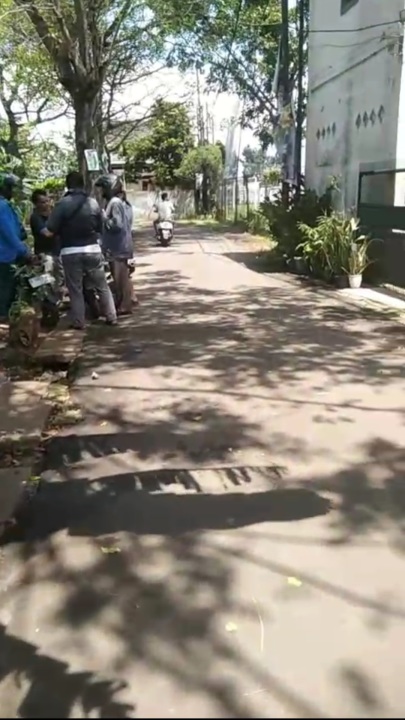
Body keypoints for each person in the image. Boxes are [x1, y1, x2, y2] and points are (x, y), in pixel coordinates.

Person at [45, 170, 117, 330]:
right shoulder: (93, 203)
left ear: (67, 185)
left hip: (70, 252)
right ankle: (111, 316)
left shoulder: (61, 204)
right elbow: (100, 227)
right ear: (83, 185)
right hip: (92, 249)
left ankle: (79, 321)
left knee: (75, 289)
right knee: (101, 285)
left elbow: (50, 229)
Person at [95, 174, 134, 316]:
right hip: (116, 246)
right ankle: (122, 304)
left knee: (121, 278)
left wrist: (104, 218)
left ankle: (125, 306)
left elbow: (117, 225)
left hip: (118, 247)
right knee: (119, 278)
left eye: (102, 188)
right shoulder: (114, 202)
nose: (101, 191)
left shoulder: (115, 203)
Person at [0, 173, 32, 318]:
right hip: (5, 256)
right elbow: (8, 233)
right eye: (12, 188)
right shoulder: (2, 206)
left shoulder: (6, 205)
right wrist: (23, 250)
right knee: (5, 291)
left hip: (8, 254)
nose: (14, 192)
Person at [30, 189, 64, 301]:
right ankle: (47, 303)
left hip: (57, 251)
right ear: (36, 204)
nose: (46, 204)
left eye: (47, 201)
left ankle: (57, 301)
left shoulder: (52, 214)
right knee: (46, 279)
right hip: (44, 254)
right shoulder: (35, 217)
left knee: (59, 279)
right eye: (43, 202)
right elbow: (47, 233)